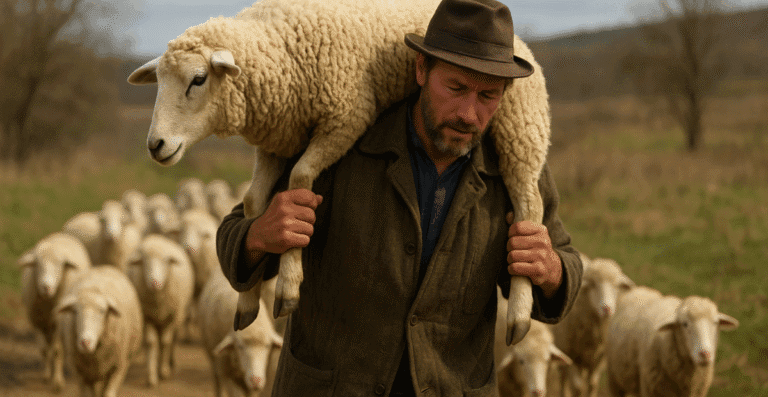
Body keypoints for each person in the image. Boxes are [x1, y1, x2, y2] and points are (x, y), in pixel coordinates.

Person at [216, 0, 583, 395]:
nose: (468, 113)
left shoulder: (512, 172)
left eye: (487, 96)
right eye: (456, 88)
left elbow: (564, 265)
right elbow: (234, 239)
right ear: (421, 70)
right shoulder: (341, 141)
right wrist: (258, 236)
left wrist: (550, 270)